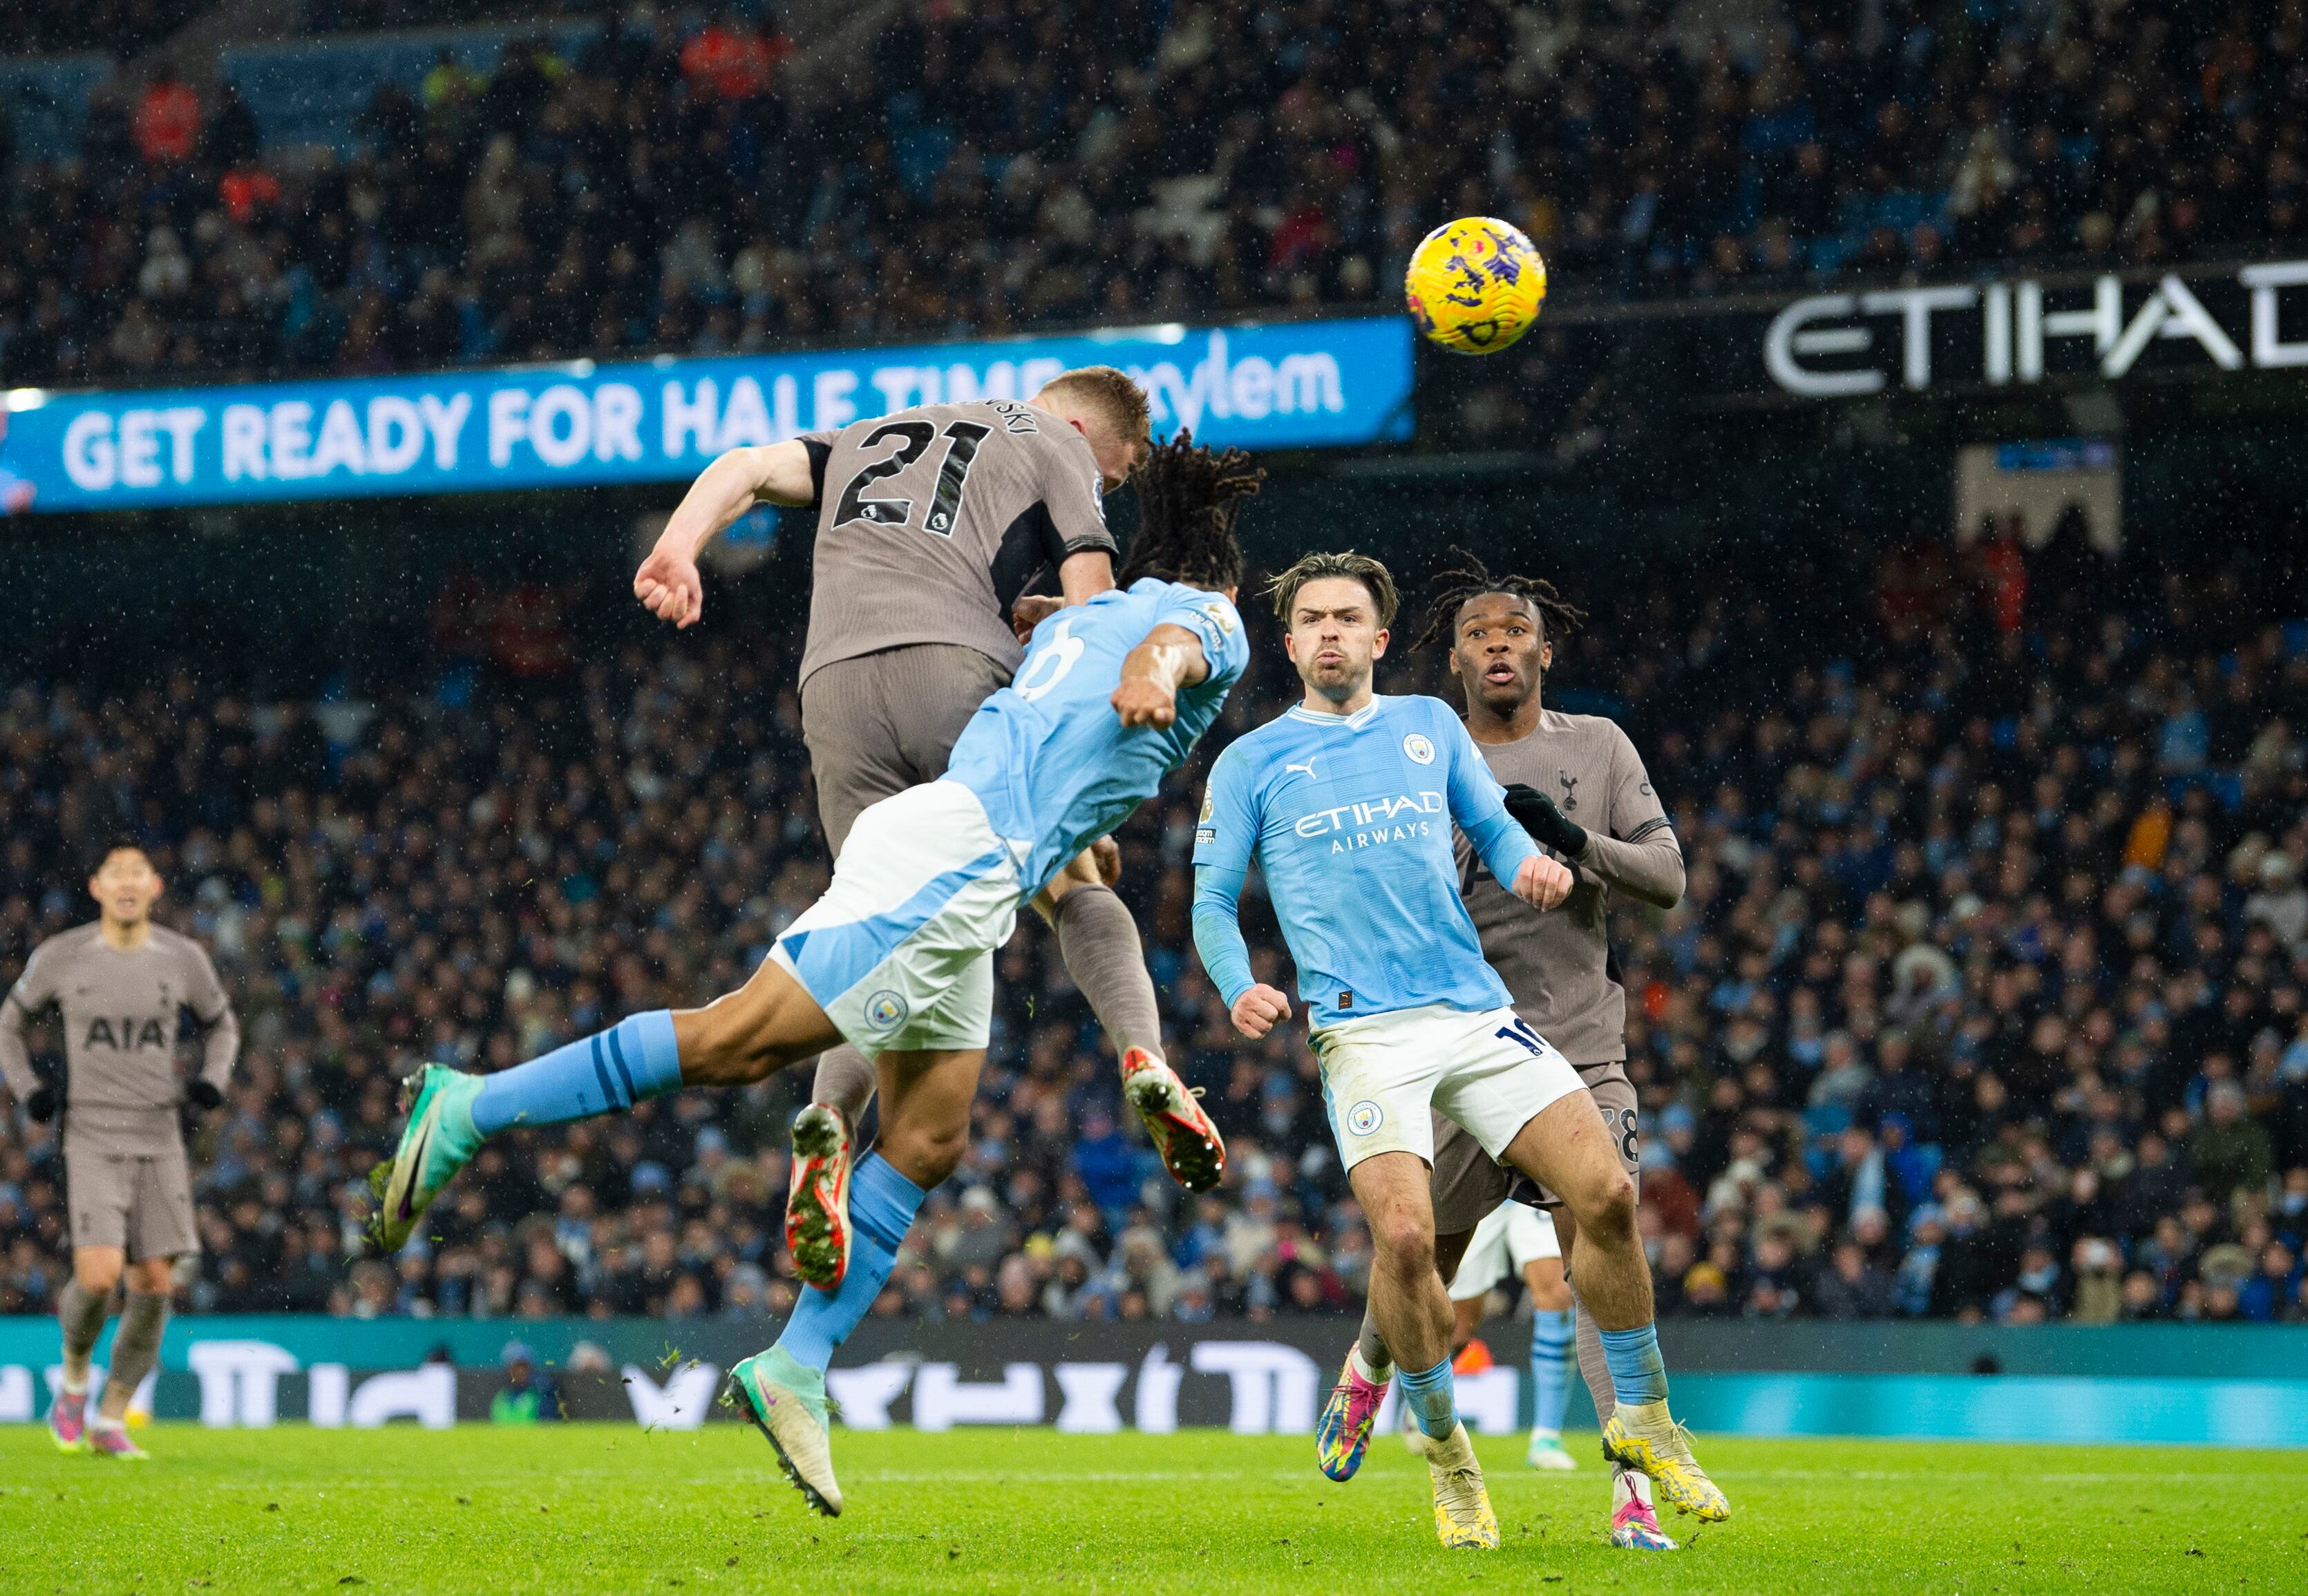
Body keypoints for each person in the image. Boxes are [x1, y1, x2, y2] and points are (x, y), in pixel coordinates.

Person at [373, 437, 1260, 1517]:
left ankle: (795, 1365)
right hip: (958, 858)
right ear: (1226, 573)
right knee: (738, 1040)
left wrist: (1082, 799)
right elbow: (1171, 647)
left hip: (964, 846)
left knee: (930, 1138)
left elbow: (1061, 713)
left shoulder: (1072, 621)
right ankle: (470, 1105)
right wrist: (1149, 675)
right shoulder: (1204, 617)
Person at [631, 365, 1224, 1291]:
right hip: (955, 672)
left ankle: (827, 1120)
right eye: (1112, 476)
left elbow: (742, 467)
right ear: (1079, 425)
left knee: (873, 931)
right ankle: (1144, 1054)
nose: (1103, 487)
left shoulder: (871, 432)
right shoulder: (1053, 437)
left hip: (831, 688)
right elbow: (1097, 614)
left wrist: (678, 548)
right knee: (1078, 885)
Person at [1193, 551, 1725, 1552]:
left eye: (1349, 617)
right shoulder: (1251, 761)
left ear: (1381, 640)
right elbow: (1213, 900)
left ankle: (1646, 1426)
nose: (1332, 633)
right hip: (1363, 1029)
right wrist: (1238, 984)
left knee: (1606, 1196)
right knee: (1409, 1246)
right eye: (1312, 619)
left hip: (1479, 1015)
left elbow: (1498, 823)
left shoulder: (1430, 728)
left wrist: (1538, 865)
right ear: (1291, 639)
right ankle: (1450, 1461)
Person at [1318, 551, 1691, 1549]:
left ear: (1543, 651)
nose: (1497, 645)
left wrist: (1572, 841)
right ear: (1452, 659)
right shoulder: (1418, 757)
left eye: (1514, 631)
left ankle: (1633, 1493)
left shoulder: (1600, 747)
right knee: (1417, 1253)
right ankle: (1369, 1364)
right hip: (1459, 1046)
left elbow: (1666, 876)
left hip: (1577, 1049)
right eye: (1478, 633)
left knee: (1600, 1240)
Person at [1, 842, 238, 1459]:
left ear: (155, 887)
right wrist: (29, 1091)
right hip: (93, 1134)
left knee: (156, 1282)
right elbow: (8, 1024)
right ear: (96, 888)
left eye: (138, 873)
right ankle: (74, 1380)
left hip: (159, 1136)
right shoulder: (62, 956)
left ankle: (111, 1418)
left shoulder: (183, 959)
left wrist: (214, 1078)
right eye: (116, 874)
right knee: (101, 1277)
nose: (127, 883)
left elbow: (223, 1024)